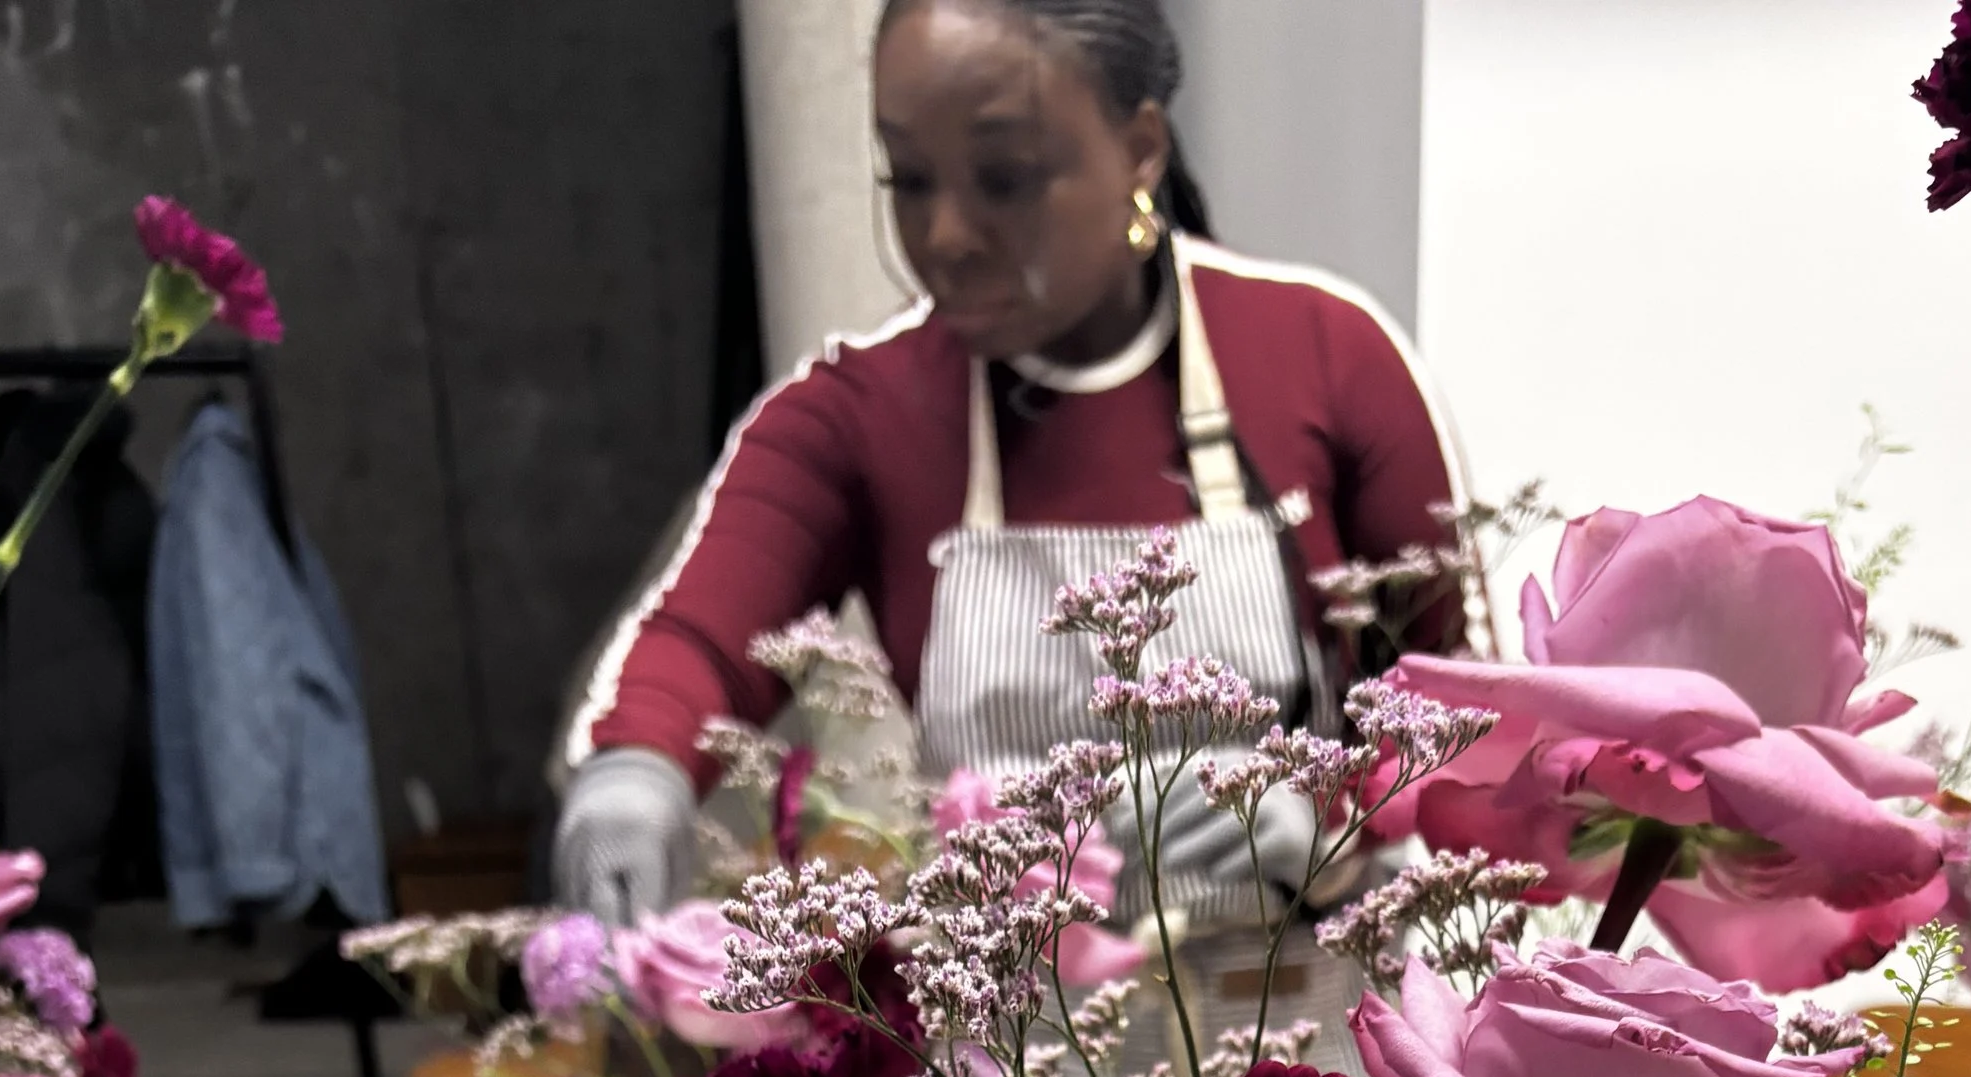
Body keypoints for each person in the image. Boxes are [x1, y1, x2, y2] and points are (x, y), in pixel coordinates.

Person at [555, 0, 1478, 925]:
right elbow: (702, 646)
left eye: (1006, 178)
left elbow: (1469, 717)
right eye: (909, 179)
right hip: (1003, 1051)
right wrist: (636, 767)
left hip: (1301, 1036)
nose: (947, 235)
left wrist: (1336, 820)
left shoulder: (1325, 357)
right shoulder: (855, 417)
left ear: (1141, 150)